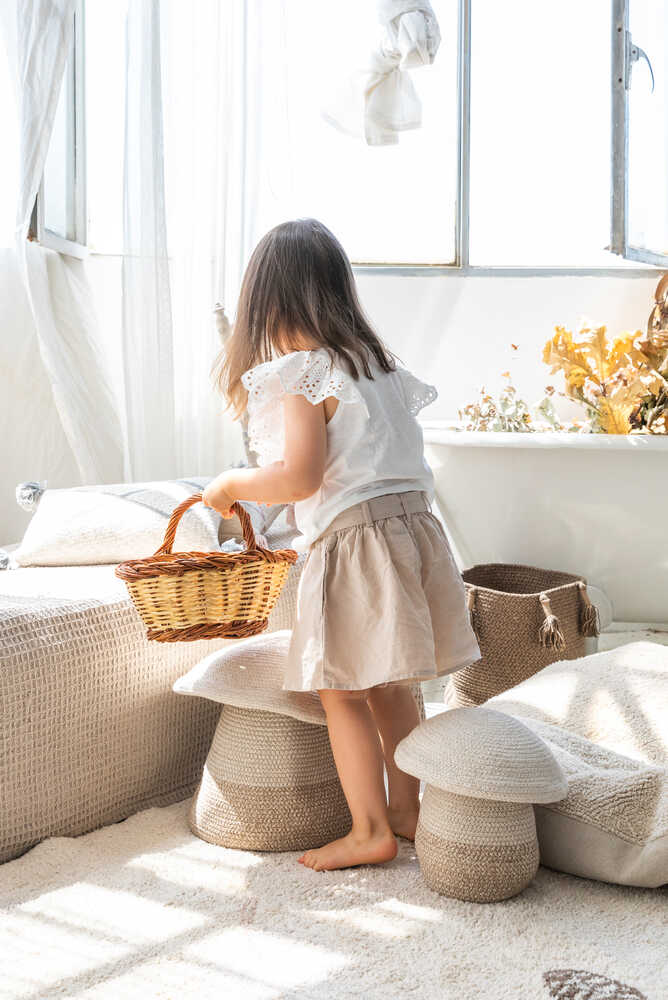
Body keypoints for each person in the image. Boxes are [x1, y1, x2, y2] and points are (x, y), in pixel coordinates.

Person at [203, 218, 480, 871]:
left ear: (265, 304)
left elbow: (299, 475)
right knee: (391, 682)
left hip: (356, 540)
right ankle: (408, 809)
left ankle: (367, 828)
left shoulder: (302, 374)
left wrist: (232, 484)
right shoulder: (378, 367)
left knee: (342, 690)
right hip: (412, 532)